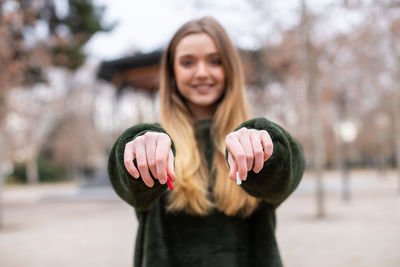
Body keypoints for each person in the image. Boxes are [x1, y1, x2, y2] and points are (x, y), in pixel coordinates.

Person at [108, 16, 305, 267]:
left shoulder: (257, 141)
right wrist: (136, 150)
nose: (202, 73)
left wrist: (266, 145)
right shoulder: (158, 145)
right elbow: (125, 180)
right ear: (172, 73)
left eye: (215, 61)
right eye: (187, 62)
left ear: (230, 69)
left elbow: (288, 170)